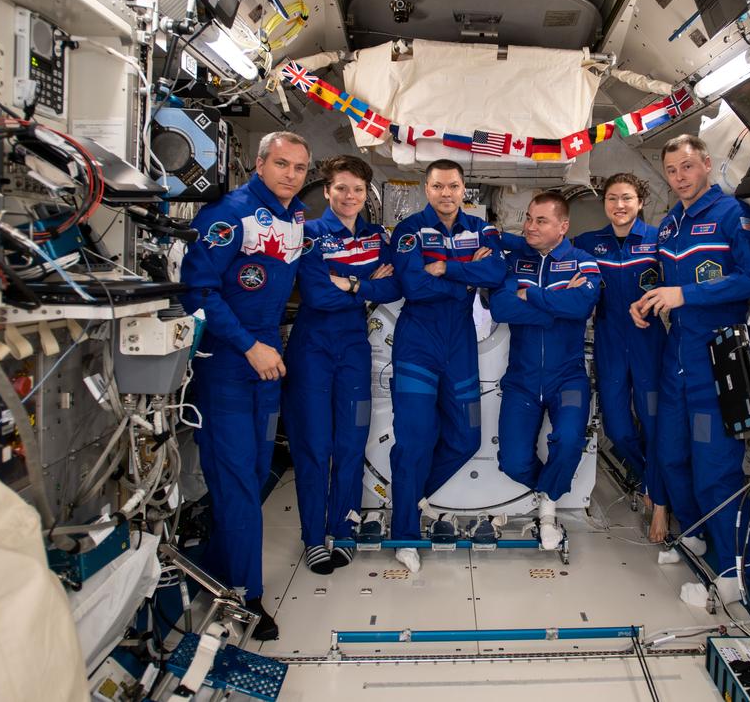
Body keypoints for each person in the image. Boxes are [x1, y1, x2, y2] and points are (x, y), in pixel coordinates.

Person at [180, 130, 312, 641]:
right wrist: (247, 346)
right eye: (282, 164)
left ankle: (214, 568)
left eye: (300, 168)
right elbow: (198, 290)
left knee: (256, 473)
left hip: (266, 361)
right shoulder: (227, 214)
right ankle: (244, 597)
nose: (291, 175)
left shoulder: (295, 217)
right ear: (260, 164)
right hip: (229, 362)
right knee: (236, 480)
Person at [629, 134, 750, 590]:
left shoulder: (734, 215)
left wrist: (685, 294)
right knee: (671, 455)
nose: (679, 178)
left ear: (707, 164)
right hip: (677, 358)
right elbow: (663, 280)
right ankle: (694, 533)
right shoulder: (671, 224)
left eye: (687, 168)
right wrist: (646, 302)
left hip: (717, 359)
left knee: (714, 464)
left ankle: (733, 570)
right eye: (671, 171)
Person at [387, 159, 507, 572]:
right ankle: (404, 532)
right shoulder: (408, 231)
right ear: (427, 189)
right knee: (414, 441)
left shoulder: (481, 229)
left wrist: (448, 266)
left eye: (453, 186)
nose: (446, 194)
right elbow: (415, 286)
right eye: (438, 186)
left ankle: (412, 494)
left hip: (460, 343)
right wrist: (468, 274)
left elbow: (496, 270)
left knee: (467, 436)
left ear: (463, 189)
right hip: (417, 344)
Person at [284, 156, 401, 575]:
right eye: (341, 188)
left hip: (354, 349)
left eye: (357, 190)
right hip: (312, 350)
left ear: (366, 194)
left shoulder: (375, 238)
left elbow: (393, 285)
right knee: (315, 447)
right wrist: (366, 287)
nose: (349, 197)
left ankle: (344, 529)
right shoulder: (310, 236)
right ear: (327, 191)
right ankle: (314, 536)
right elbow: (316, 296)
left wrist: (349, 283)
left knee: (352, 444)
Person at [490, 192, 601, 549]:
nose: (530, 227)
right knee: (511, 460)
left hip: (567, 377)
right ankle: (547, 490)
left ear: (563, 226)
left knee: (569, 442)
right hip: (522, 380)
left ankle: (549, 506)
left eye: (541, 221)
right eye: (528, 219)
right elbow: (501, 308)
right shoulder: (515, 261)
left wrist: (531, 296)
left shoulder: (583, 262)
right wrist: (557, 306)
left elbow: (583, 303)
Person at [572, 174, 667, 543]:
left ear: (640, 201)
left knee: (655, 422)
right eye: (612, 198)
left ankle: (659, 502)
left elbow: (679, 284)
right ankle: (649, 477)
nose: (619, 205)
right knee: (617, 427)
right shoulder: (588, 243)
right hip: (610, 341)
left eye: (627, 198)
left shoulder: (658, 241)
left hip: (649, 341)